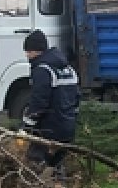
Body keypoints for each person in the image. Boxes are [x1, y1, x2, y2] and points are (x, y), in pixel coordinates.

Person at [21, 31, 81, 177]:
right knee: (57, 163)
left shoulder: (43, 70)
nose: (27, 55)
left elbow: (38, 102)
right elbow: (77, 98)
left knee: (35, 161)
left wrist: (27, 126)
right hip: (67, 128)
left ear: (36, 50)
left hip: (49, 129)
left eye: (28, 51)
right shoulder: (69, 69)